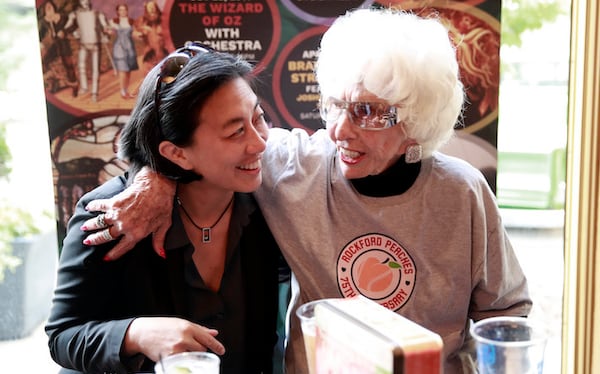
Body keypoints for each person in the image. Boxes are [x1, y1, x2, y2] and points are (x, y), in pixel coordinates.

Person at [81, 8, 532, 373]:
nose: (339, 130)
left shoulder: (463, 191)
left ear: (417, 120)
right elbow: (192, 141)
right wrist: (153, 179)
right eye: (335, 104)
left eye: (367, 112)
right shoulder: (293, 165)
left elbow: (505, 313)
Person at [46, 42, 286, 374]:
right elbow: (63, 336)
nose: (260, 143)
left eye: (258, 117)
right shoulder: (114, 213)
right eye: (236, 132)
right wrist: (135, 334)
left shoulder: (269, 203)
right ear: (177, 154)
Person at [64, 0, 108, 102]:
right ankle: (84, 87)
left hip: (95, 43)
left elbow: (105, 26)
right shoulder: (75, 14)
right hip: (83, 43)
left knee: (95, 69)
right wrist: (74, 31)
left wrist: (105, 33)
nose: (85, 2)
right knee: (81, 66)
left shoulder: (97, 13)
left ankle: (94, 93)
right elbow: (67, 26)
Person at [108, 3, 139, 99]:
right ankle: (122, 92)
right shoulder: (113, 21)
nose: (123, 12)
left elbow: (134, 33)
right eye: (121, 10)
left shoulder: (131, 22)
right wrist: (109, 32)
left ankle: (126, 90)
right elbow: (110, 31)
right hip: (120, 48)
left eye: (124, 10)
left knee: (128, 71)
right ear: (117, 11)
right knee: (122, 71)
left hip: (130, 48)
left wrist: (140, 35)